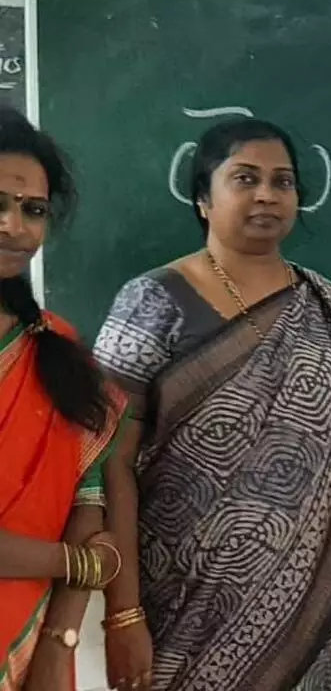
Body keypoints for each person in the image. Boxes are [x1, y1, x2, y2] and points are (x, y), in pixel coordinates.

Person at [94, 117, 331, 691]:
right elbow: (108, 462)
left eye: (282, 182)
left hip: (309, 611)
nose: (266, 194)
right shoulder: (153, 302)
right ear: (204, 199)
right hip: (181, 606)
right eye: (245, 178)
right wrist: (123, 611)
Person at [0, 106, 126, 690]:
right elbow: (89, 550)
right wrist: (80, 564)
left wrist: (59, 643)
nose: (14, 226)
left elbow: (89, 494)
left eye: (33, 210)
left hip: (34, 650)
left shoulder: (56, 346)